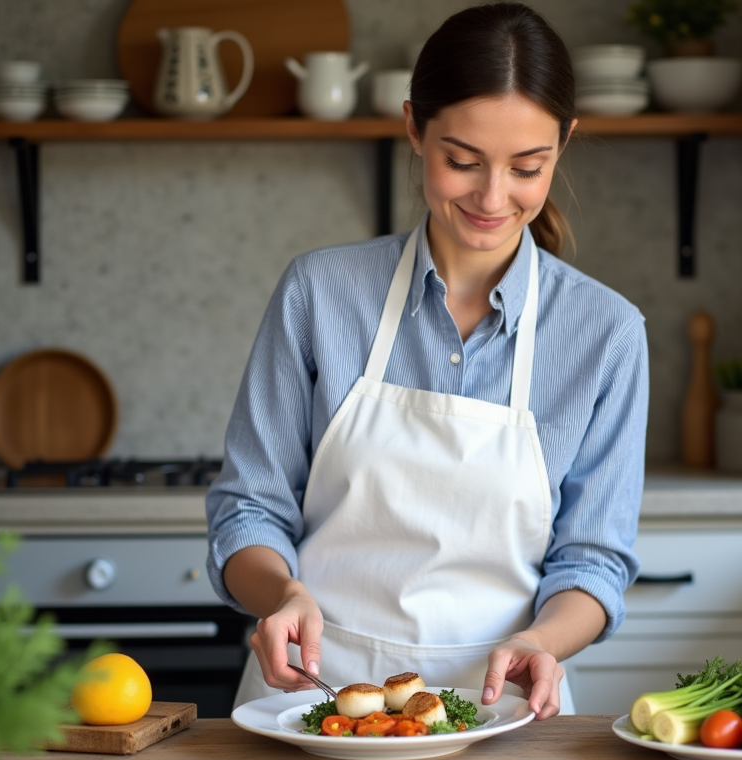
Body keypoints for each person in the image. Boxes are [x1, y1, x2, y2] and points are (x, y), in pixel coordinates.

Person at [206, 1, 648, 720]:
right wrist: (283, 595)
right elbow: (248, 511)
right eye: (462, 161)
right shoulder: (320, 293)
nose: (492, 197)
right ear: (414, 128)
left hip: (501, 711)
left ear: (563, 145)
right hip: (319, 704)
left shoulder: (607, 333)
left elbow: (592, 562)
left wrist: (544, 638)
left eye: (527, 168)